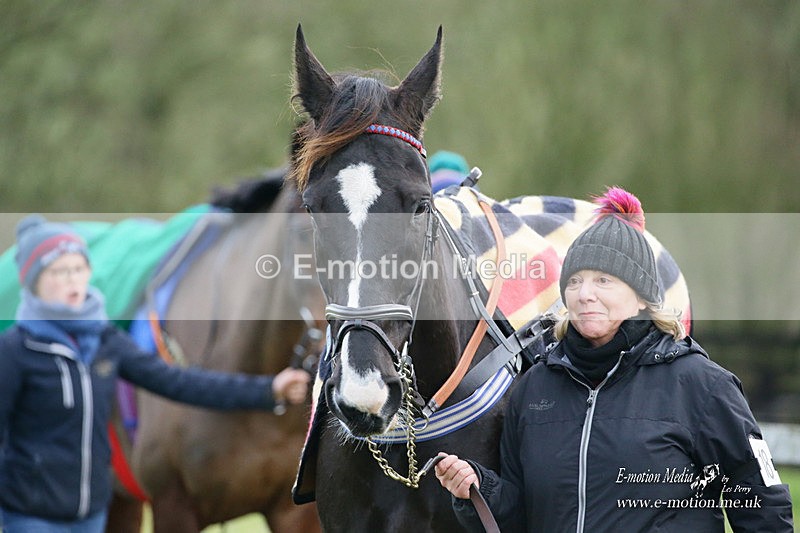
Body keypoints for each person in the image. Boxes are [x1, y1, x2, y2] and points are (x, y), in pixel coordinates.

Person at [435, 188, 793, 532]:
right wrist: (479, 489)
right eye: (574, 281)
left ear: (641, 298)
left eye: (604, 280)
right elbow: (521, 517)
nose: (585, 294)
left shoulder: (704, 386)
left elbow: (763, 509)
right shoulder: (533, 388)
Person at [0, 215, 311, 533]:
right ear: (33, 281)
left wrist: (268, 390)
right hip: (31, 514)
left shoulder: (106, 341)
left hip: (90, 513)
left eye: (78, 269)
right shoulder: (16, 350)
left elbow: (180, 383)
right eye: (58, 272)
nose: (72, 281)